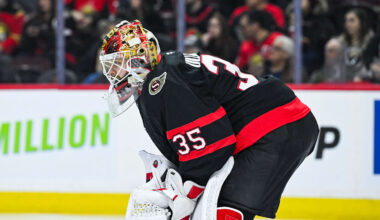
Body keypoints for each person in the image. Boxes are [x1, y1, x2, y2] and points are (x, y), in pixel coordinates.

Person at [99, 20, 319, 219]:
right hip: (276, 123)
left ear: (140, 56)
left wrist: (185, 193)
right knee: (213, 207)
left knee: (220, 212)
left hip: (273, 125)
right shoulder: (161, 78)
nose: (112, 71)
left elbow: (212, 147)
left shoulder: (164, 82)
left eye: (117, 62)